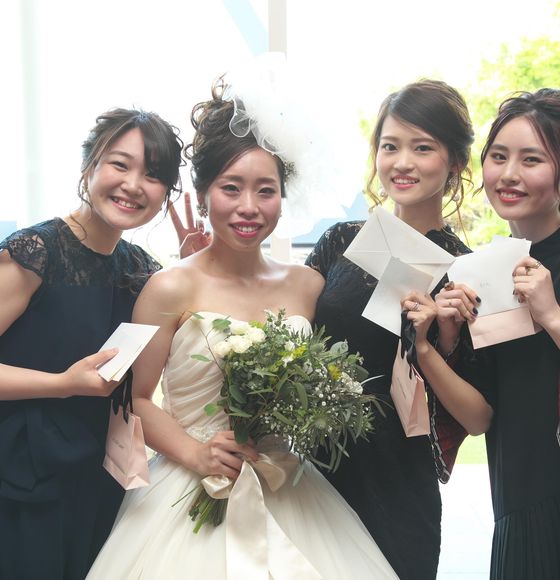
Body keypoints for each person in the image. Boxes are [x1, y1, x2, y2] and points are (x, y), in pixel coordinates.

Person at [86, 78, 399, 580]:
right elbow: (136, 398)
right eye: (231, 188)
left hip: (289, 486)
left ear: (282, 198)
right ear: (203, 194)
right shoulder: (169, 288)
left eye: (265, 190)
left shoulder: (307, 285)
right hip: (189, 488)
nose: (249, 206)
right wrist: (196, 453)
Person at [0, 107, 183, 580]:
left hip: (102, 471)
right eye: (120, 164)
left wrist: (195, 266)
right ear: (90, 165)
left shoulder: (141, 268)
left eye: (153, 175)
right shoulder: (35, 252)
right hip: (24, 473)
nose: (133, 185)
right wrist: (62, 383)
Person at [405, 88, 560, 579]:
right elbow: (480, 417)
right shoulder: (481, 269)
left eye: (531, 159)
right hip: (517, 504)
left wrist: (553, 316)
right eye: (498, 157)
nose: (508, 174)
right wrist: (445, 338)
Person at [304, 80, 475, 580]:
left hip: (399, 482)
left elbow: (477, 414)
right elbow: (288, 323)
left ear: (455, 161)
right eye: (390, 146)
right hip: (315, 471)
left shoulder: (466, 273)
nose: (402, 162)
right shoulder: (339, 241)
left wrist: (432, 343)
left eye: (422, 148)